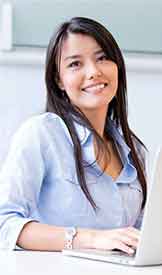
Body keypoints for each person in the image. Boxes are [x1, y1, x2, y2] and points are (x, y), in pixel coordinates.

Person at [0, 17, 147, 254]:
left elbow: (140, 235)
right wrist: (89, 238)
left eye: (102, 58)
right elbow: (4, 224)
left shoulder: (134, 150)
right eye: (75, 64)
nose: (94, 72)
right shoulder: (42, 134)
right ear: (59, 80)